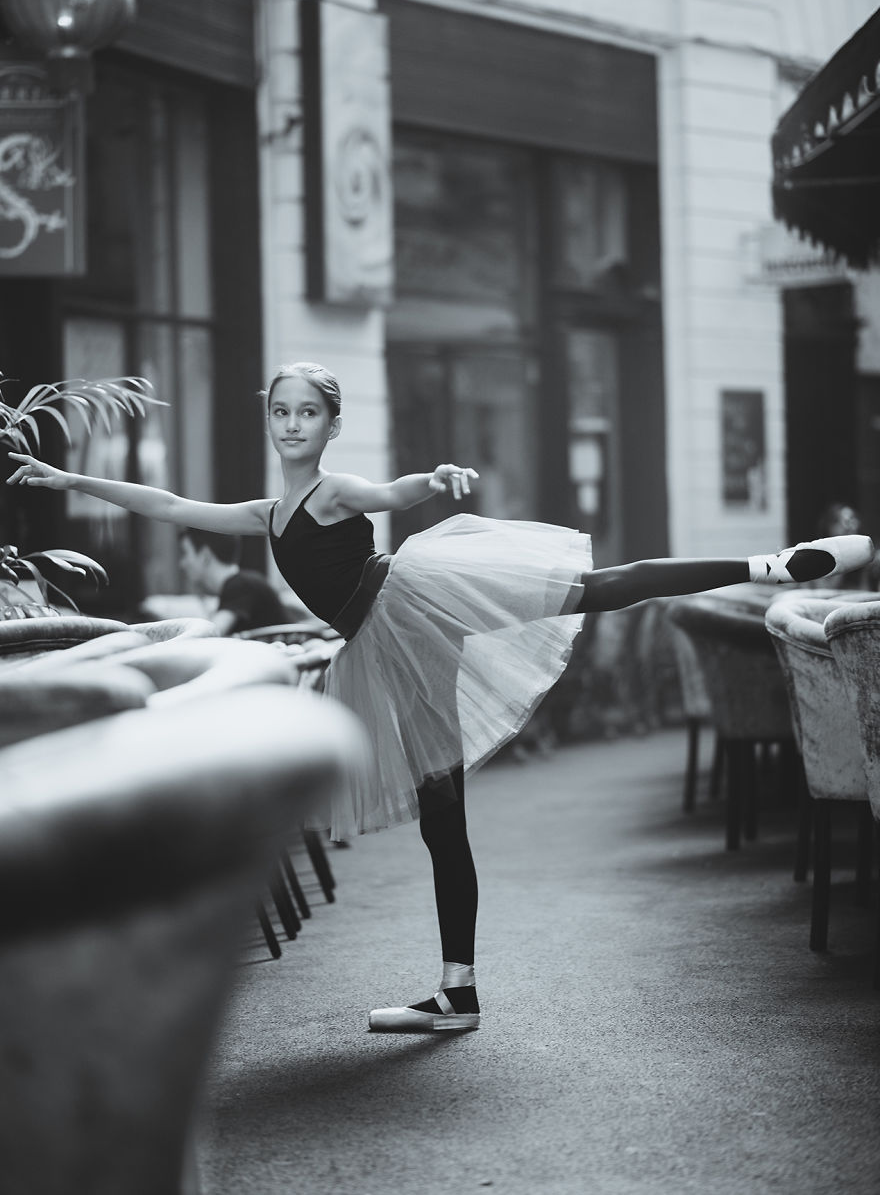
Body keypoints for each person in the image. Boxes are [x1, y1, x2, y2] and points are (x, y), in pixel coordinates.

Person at [7, 362, 874, 1034]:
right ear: (269, 421)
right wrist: (69, 481)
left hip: (416, 603)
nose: (293, 423)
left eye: (309, 411)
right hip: (391, 645)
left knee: (604, 584)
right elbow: (166, 503)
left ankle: (775, 564)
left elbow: (393, 495)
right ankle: (456, 991)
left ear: (331, 424)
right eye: (281, 410)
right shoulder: (265, 513)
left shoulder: (331, 490)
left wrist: (437, 478)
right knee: (440, 814)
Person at [177, 527, 288, 636]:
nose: (182, 563)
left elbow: (209, 635)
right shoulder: (242, 583)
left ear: (205, 556)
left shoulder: (239, 585)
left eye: (185, 553)